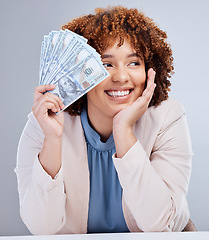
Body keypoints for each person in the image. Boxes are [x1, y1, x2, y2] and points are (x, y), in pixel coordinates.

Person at [15, 6, 194, 235]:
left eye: (134, 63)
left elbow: (158, 224)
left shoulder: (168, 117)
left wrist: (123, 129)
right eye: (106, 64)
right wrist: (52, 140)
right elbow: (42, 228)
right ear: (80, 72)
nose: (120, 77)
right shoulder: (44, 124)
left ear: (150, 70)